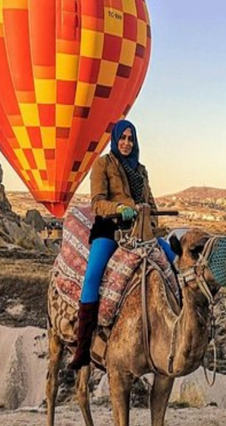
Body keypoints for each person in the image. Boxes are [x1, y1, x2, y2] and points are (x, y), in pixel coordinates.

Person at [68, 119, 176, 370]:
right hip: (110, 228)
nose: (126, 143)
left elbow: (150, 203)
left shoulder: (141, 170)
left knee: (176, 262)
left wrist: (157, 228)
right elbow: (97, 203)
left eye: (131, 139)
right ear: (115, 140)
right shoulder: (103, 164)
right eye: (123, 138)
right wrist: (119, 208)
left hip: (140, 230)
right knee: (93, 277)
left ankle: (178, 328)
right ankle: (83, 346)